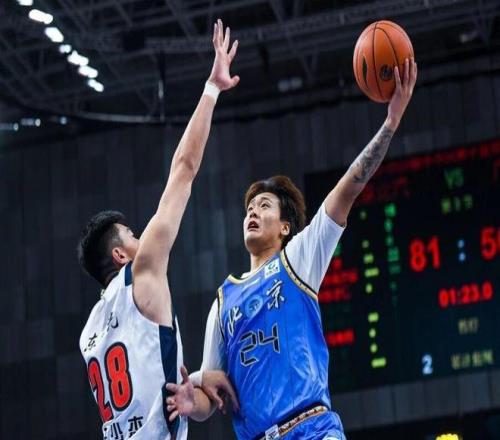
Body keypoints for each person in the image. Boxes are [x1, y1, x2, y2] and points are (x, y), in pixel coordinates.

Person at [166, 59, 418, 439]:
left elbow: (348, 189)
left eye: (264, 206)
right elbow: (210, 395)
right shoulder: (222, 301)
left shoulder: (298, 259)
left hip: (313, 428)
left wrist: (390, 123)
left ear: (285, 227)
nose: (252, 212)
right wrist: (192, 400)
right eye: (249, 209)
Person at [78, 20, 240, 440]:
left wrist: (198, 376)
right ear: (119, 255)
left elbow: (145, 381)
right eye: (132, 235)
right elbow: (184, 169)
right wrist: (212, 88)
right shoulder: (143, 272)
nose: (141, 239)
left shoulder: (89, 333)